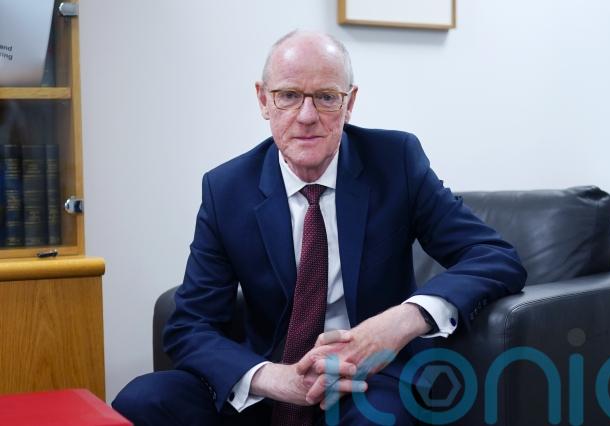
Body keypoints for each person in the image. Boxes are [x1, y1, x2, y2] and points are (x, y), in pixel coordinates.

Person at [113, 30, 526, 425]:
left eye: (327, 97)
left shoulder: (395, 162)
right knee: (143, 400)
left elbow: (494, 257)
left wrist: (401, 321)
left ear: (350, 103)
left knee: (380, 417)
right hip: (268, 382)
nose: (307, 116)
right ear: (263, 99)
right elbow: (190, 325)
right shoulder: (227, 189)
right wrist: (273, 378)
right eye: (289, 95)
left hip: (368, 382)